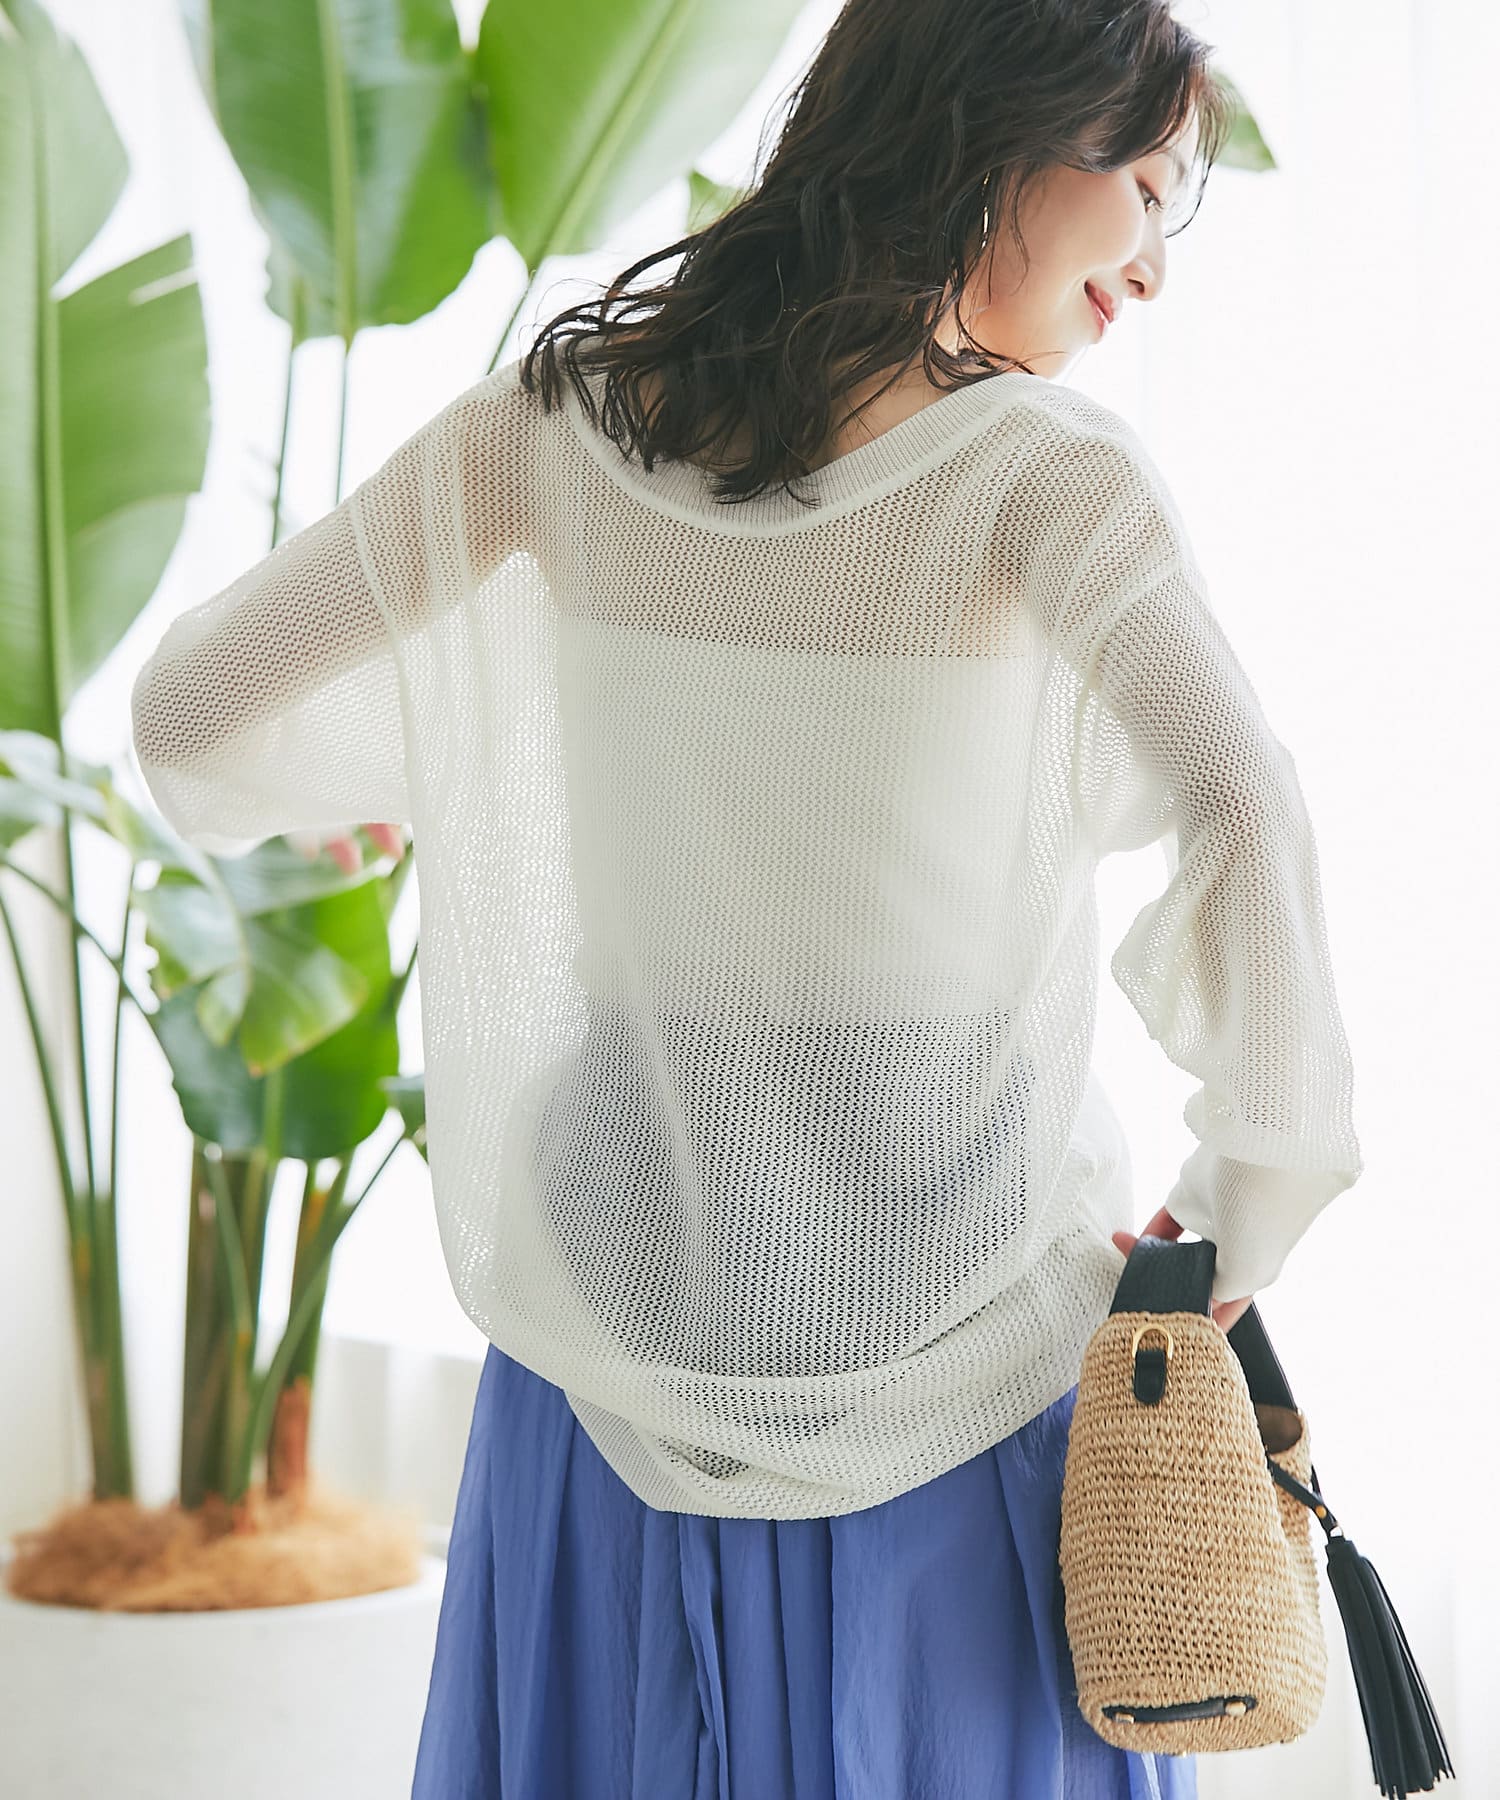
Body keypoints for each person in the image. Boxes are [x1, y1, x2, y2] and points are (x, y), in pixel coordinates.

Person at [130, 2, 1363, 1794]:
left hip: (613, 1313)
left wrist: (425, 780)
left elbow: (196, 713)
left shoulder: (559, 424)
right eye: (1153, 189)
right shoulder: (1043, 477)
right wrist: (1242, 1208)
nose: (1158, 264)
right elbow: (1246, 801)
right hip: (950, 1326)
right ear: (1006, 131)